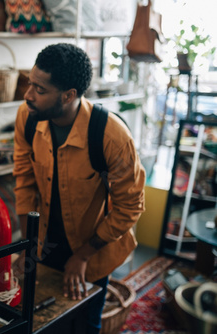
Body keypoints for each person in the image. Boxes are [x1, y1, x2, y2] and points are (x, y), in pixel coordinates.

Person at [12, 43, 145, 334]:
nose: (28, 95)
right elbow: (24, 180)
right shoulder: (28, 116)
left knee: (85, 326)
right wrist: (28, 245)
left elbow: (130, 207)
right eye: (30, 82)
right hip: (44, 241)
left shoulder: (111, 135)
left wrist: (83, 256)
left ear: (69, 95)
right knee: (38, 324)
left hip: (93, 247)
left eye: (40, 90)